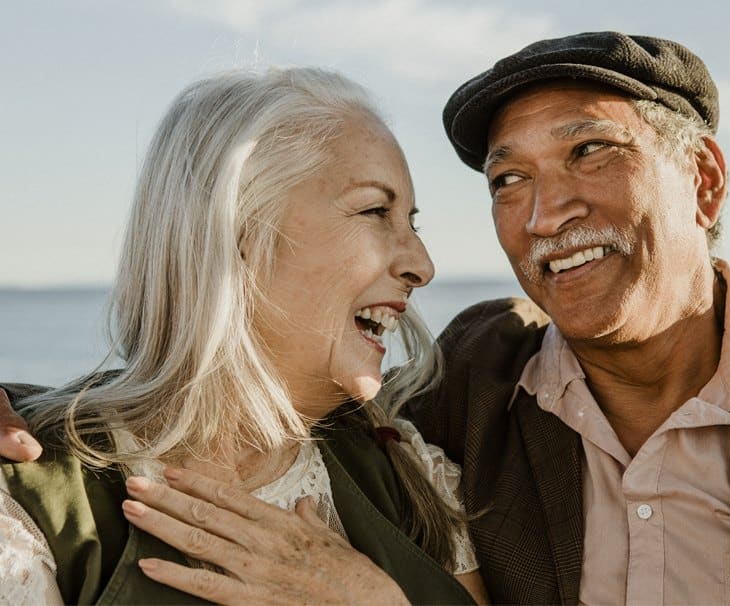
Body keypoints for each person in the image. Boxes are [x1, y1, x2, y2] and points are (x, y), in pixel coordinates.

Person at [1, 31, 730, 605]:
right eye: (508, 177)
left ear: (705, 182)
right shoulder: (455, 410)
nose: (546, 214)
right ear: (236, 234)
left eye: (589, 151)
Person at [0, 67, 488, 605]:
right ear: (238, 232)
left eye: (412, 223)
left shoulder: (414, 476)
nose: (423, 264)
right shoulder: (29, 513)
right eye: (375, 210)